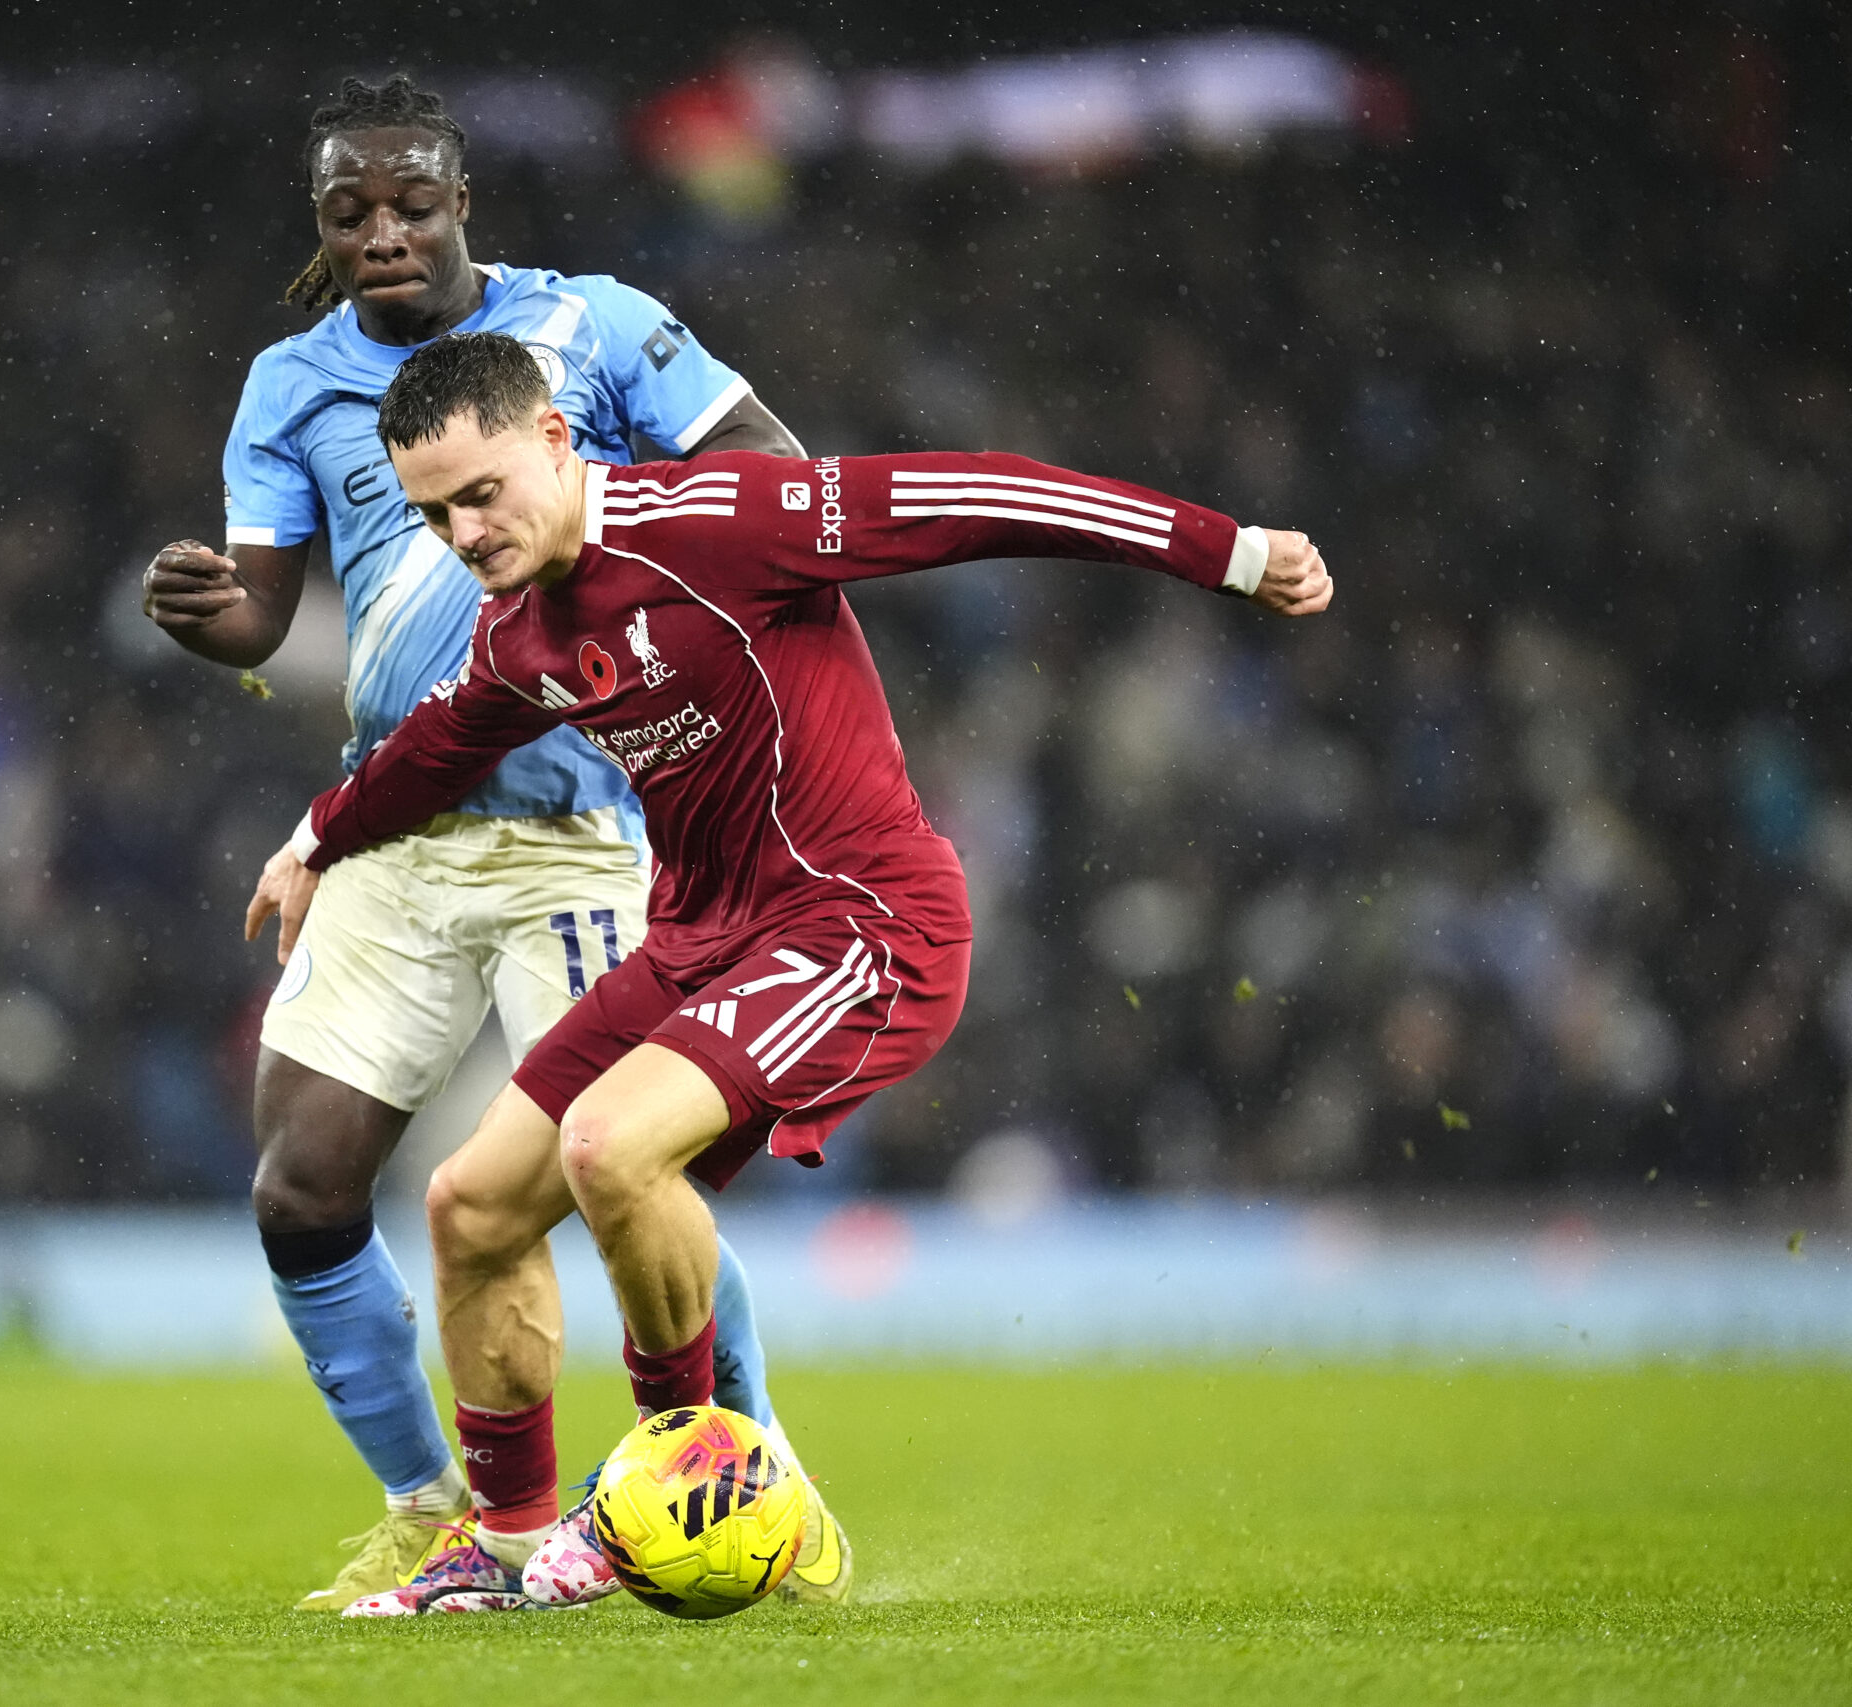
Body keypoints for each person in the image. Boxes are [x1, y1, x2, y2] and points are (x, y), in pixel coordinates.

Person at [245, 331, 1334, 1614]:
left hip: (860, 923)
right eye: (433, 512)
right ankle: (499, 1551)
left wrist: (1231, 554)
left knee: (607, 1148)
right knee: (469, 1208)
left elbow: (973, 496)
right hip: (700, 937)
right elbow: (439, 745)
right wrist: (321, 834)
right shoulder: (521, 628)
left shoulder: (719, 521)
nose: (463, 531)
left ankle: (676, 1484)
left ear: (553, 439)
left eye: (481, 493)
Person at [142, 77, 826, 1613]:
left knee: (615, 1170)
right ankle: (428, 1506)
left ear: (464, 207)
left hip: (581, 830)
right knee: (303, 1186)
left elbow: (771, 468)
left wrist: (628, 563)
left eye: (412, 204)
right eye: (349, 211)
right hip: (393, 824)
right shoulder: (288, 384)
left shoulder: (591, 329)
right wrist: (209, 615)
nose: (383, 231)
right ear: (320, 228)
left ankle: (762, 1477)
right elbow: (265, 605)